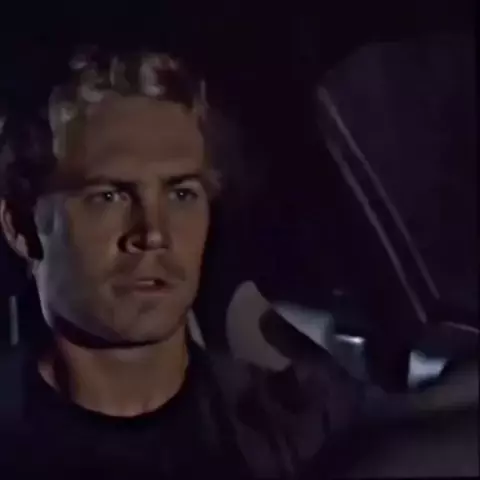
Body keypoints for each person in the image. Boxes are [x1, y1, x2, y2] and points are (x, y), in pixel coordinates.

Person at [0, 45, 363, 478]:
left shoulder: (298, 427)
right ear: (20, 226)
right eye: (109, 196)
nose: (153, 233)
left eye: (181, 194)